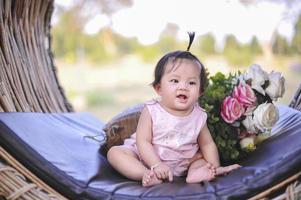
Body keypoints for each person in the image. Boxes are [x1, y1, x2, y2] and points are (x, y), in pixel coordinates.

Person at [107, 32, 240, 187]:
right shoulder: (151, 110)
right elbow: (143, 141)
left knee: (200, 160)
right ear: (159, 88)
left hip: (184, 162)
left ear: (200, 91)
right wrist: (156, 165)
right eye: (175, 81)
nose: (183, 86)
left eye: (191, 83)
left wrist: (215, 167)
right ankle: (145, 174)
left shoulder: (198, 115)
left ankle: (196, 174)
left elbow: (207, 144)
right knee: (115, 153)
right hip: (147, 158)